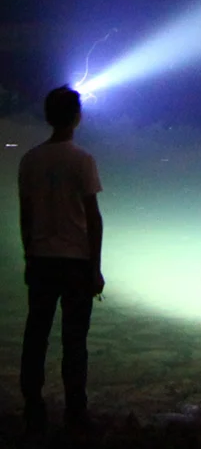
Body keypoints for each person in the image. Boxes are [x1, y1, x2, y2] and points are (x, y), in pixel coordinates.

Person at [18, 85, 105, 438]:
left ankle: (33, 409)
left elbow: (26, 215)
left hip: (41, 260)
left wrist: (29, 255)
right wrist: (95, 267)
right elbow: (93, 217)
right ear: (76, 118)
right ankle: (75, 413)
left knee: (36, 335)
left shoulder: (30, 160)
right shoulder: (82, 160)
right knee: (74, 340)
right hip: (75, 263)